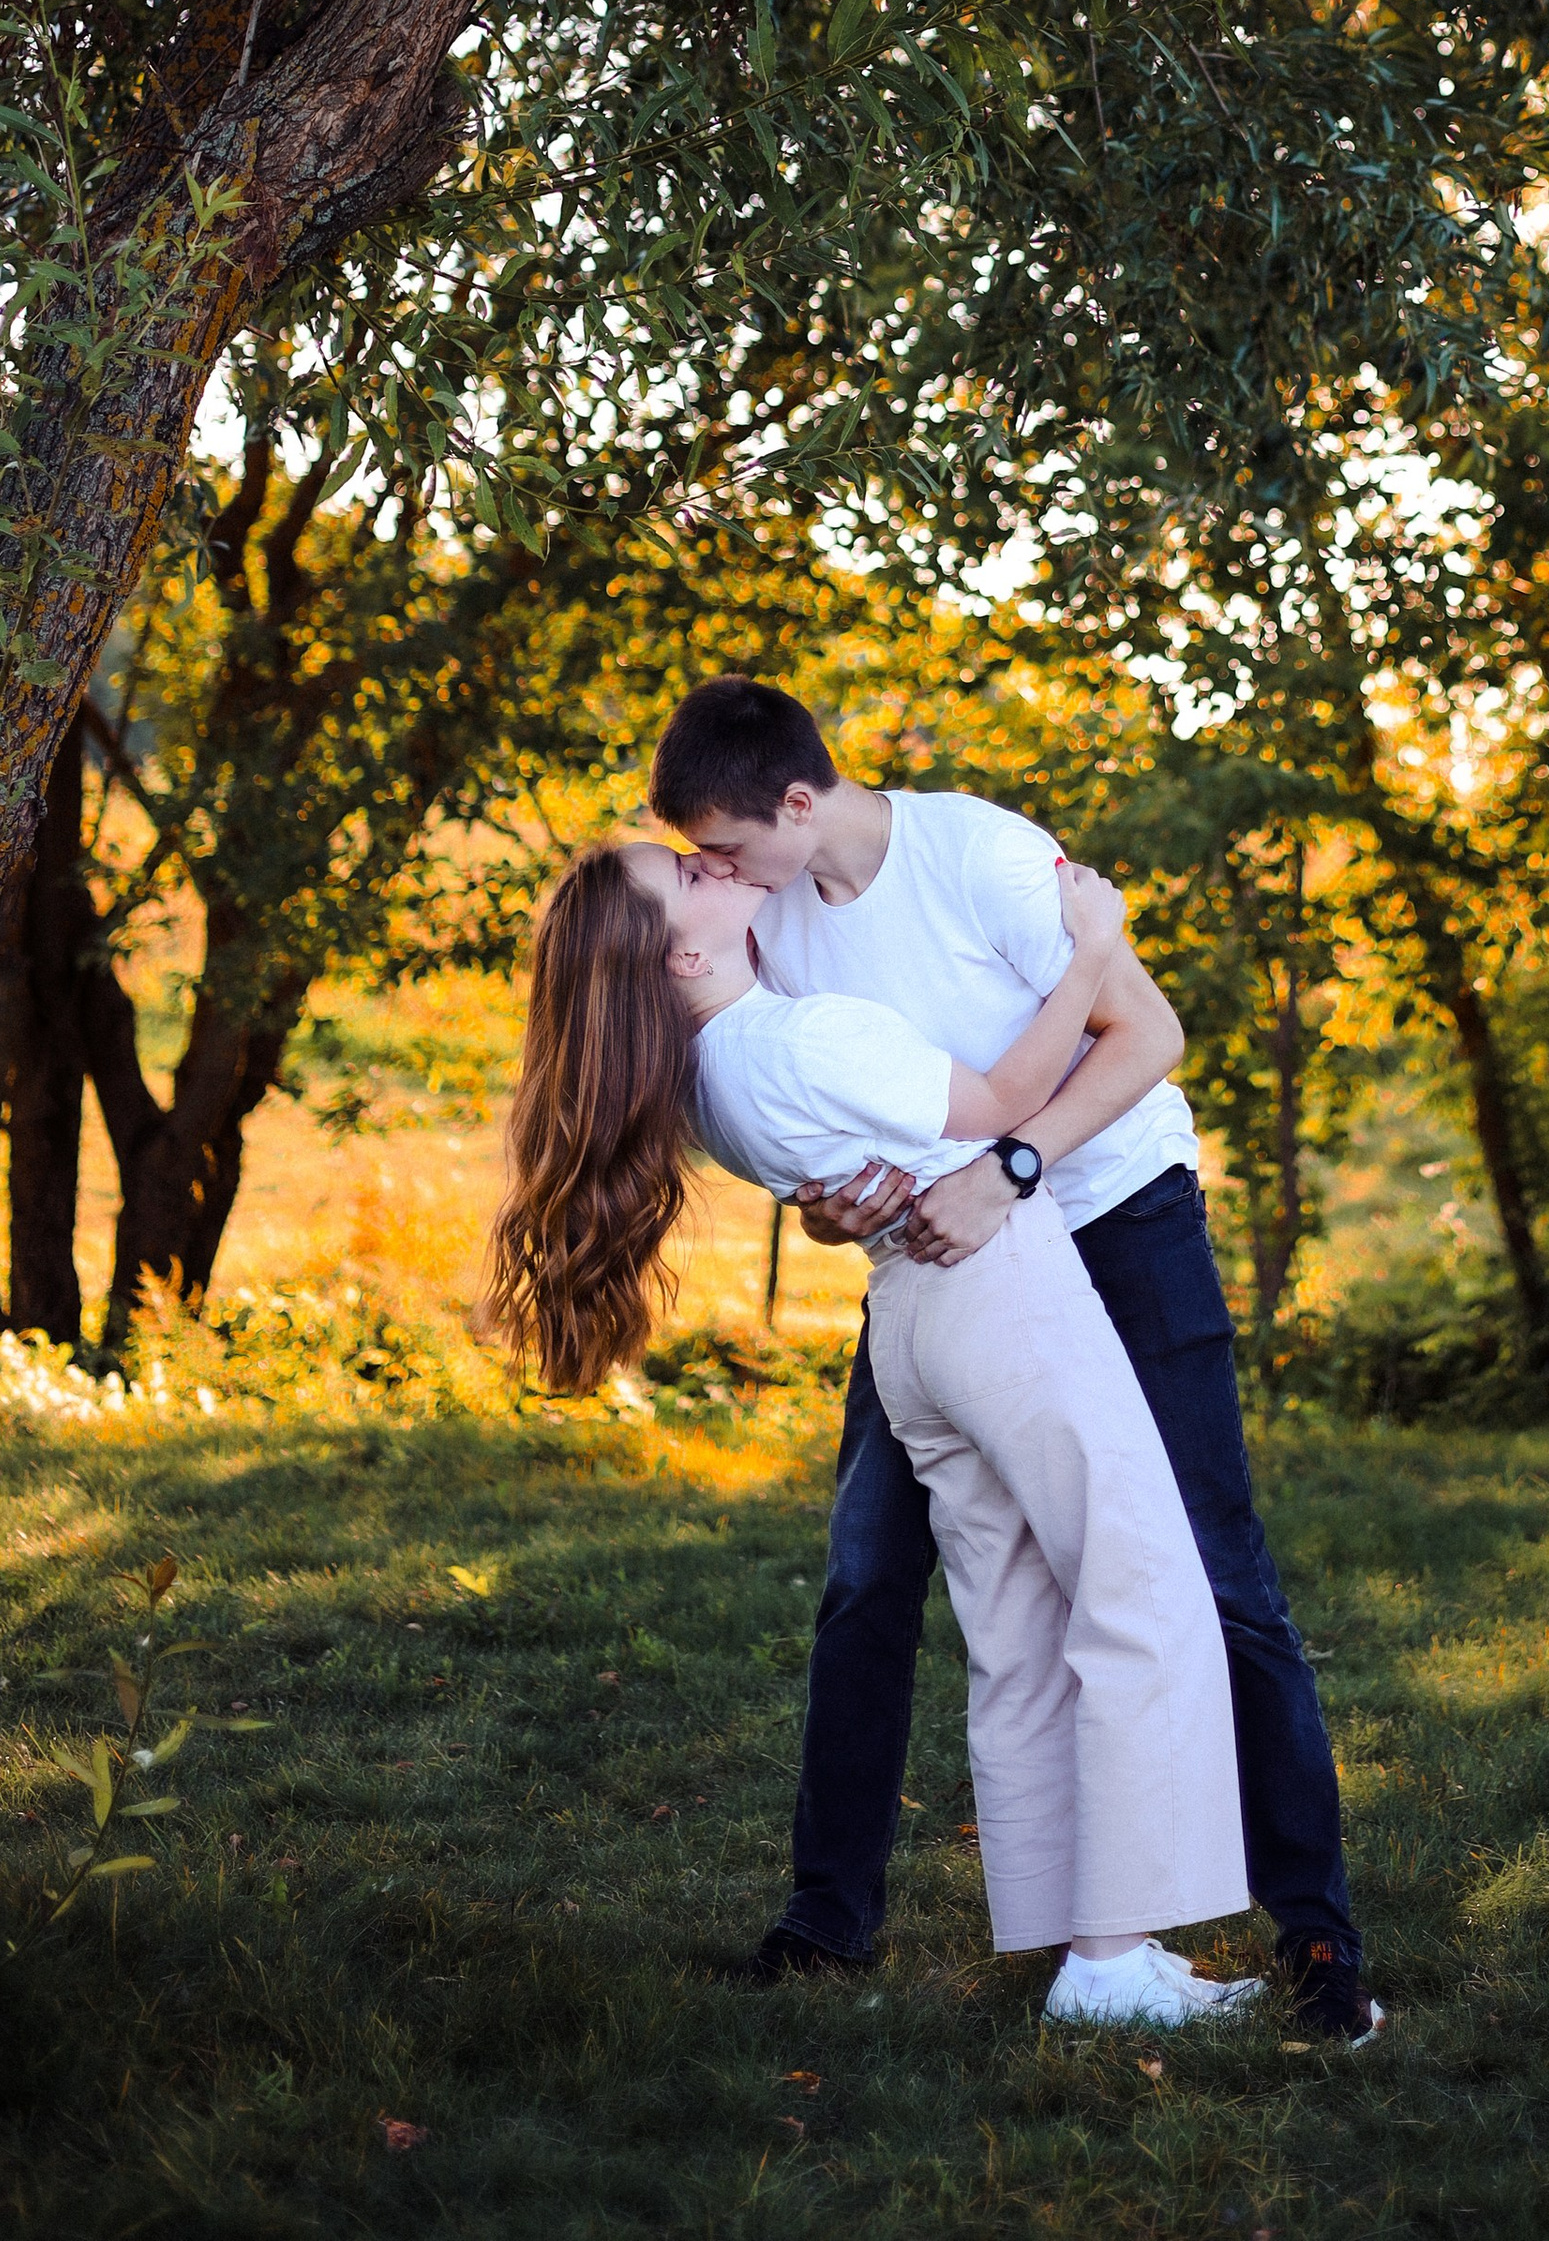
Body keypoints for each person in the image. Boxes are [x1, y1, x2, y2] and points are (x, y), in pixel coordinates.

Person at [648, 674, 1382, 2047]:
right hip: (950, 1264)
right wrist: (833, 1209)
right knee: (868, 1573)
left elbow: (1148, 1035)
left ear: (798, 804)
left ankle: (1316, 1930)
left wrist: (1011, 1167)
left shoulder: (979, 855)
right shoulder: (765, 919)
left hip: (1116, 1218)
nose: (717, 873)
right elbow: (818, 1122)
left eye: (727, 848)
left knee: (1213, 1570)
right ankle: (828, 1916)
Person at [485, 833, 1262, 2031]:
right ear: (681, 953)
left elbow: (858, 1173)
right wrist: (1091, 952)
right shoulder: (804, 1038)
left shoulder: (703, 1081)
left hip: (911, 1318)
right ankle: (1111, 1958)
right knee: (1139, 1589)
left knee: (1016, 1623)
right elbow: (1005, 1104)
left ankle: (1080, 1945)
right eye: (688, 876)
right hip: (999, 1292)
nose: (712, 865)